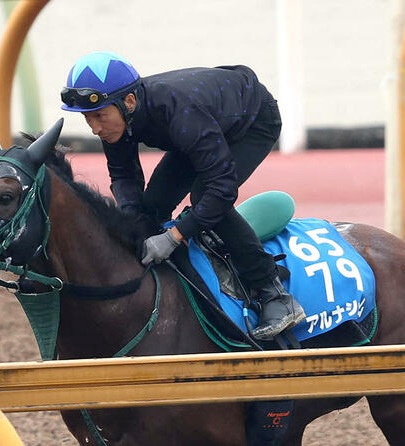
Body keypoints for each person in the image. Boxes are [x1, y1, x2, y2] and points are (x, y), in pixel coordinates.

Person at [60, 51, 305, 340]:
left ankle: (274, 293)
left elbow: (222, 189)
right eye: (88, 119)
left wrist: (174, 236)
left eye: (100, 116)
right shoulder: (119, 113)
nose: (95, 128)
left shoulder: (177, 110)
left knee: (206, 197)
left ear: (129, 102)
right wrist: (134, 226)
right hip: (202, 126)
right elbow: (124, 177)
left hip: (251, 123)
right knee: (151, 207)